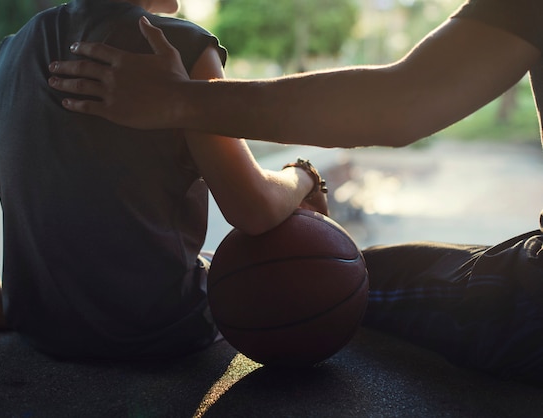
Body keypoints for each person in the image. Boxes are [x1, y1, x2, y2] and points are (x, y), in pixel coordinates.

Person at [47, 0, 543, 381]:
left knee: (338, 280)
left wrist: (180, 100)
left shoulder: (28, 45)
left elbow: (403, 103)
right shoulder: (181, 42)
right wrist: (304, 175)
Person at [0, 0, 328, 361]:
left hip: (38, 331)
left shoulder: (14, 50)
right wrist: (304, 177)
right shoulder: (178, 45)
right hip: (159, 333)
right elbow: (253, 208)